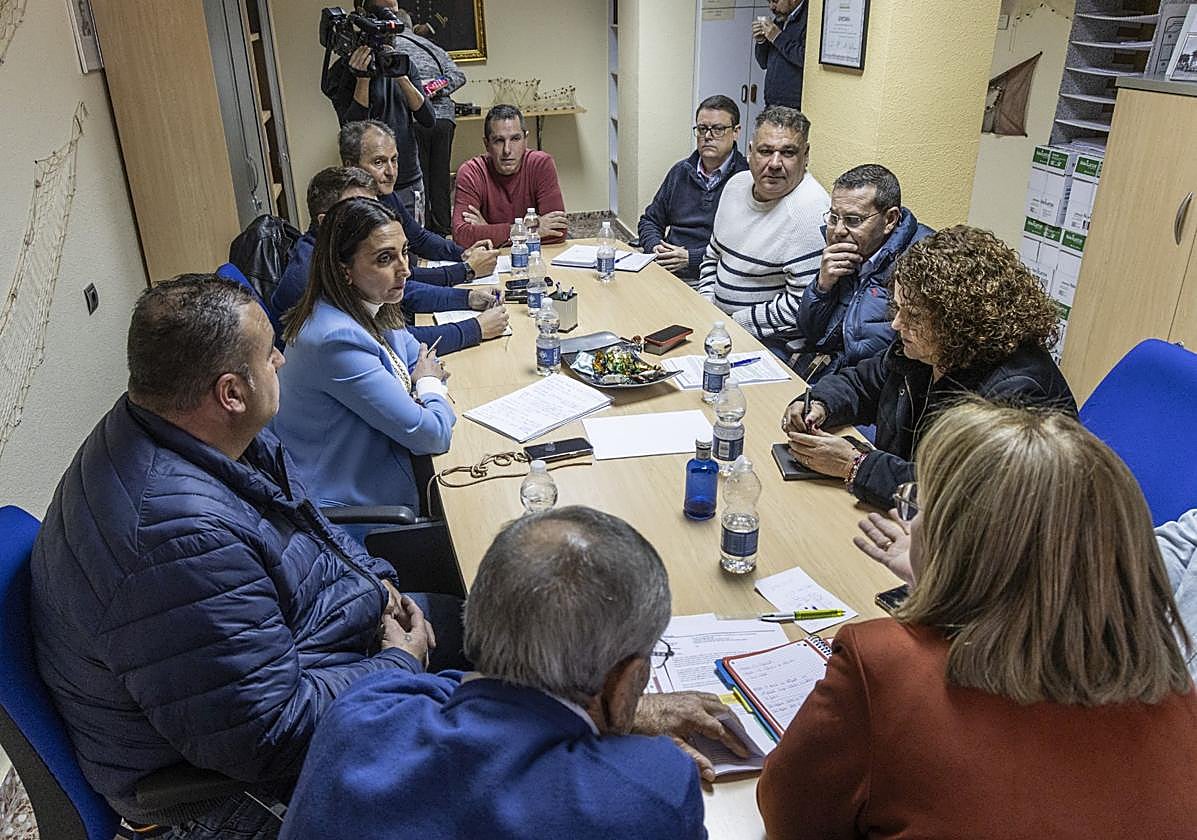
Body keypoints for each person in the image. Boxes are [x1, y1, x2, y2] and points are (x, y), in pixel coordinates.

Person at [29, 275, 445, 838]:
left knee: (488, 634)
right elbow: (271, 735)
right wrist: (397, 667)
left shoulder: (201, 430)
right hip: (229, 794)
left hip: (302, 658)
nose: (280, 359)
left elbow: (308, 522)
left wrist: (377, 583)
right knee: (494, 758)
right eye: (269, 352)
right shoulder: (174, 540)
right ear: (230, 392)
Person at [758, 400, 1197, 839]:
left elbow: (789, 818)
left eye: (920, 507)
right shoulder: (1180, 703)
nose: (912, 522)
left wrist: (939, 592)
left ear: (956, 539)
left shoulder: (882, 665)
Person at [281, 507, 747, 839]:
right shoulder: (649, 792)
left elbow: (441, 690)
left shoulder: (359, 713)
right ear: (624, 681)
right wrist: (620, 717)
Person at [783, 225, 1076, 509]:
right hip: (903, 515)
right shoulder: (926, 349)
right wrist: (819, 403)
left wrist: (856, 465)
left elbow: (963, 496)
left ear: (957, 321)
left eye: (913, 316)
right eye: (898, 309)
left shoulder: (1018, 392)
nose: (896, 324)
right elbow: (863, 383)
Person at [274, 197, 453, 512]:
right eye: (385, 258)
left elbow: (422, 358)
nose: (405, 269)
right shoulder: (335, 339)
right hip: (353, 511)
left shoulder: (372, 305)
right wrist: (427, 386)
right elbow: (433, 435)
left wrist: (424, 387)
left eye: (405, 252)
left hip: (392, 468)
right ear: (344, 270)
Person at [272, 166, 507, 354]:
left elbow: (408, 291)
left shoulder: (339, 254)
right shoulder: (310, 276)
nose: (372, 217)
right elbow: (385, 343)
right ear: (326, 222)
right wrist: (475, 329)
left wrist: (468, 297)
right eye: (357, 211)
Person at [697, 106, 829, 350]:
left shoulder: (811, 212)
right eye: (765, 151)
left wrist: (731, 326)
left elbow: (799, 307)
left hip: (769, 341)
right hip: (717, 324)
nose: (775, 163)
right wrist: (707, 307)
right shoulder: (735, 185)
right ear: (750, 152)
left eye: (788, 152)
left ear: (806, 155)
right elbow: (712, 256)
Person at [795, 164, 932, 381]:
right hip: (831, 373)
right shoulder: (847, 251)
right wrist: (822, 287)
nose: (838, 231)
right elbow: (810, 333)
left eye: (853, 220)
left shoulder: (922, 261)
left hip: (881, 382)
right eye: (834, 217)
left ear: (890, 220)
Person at [340, 120, 499, 285]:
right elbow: (401, 277)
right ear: (350, 166)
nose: (391, 172)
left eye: (394, 160)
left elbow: (419, 239)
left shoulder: (385, 195)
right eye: (378, 162)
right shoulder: (351, 213)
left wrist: (463, 254)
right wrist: (466, 270)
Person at [322, 0, 433, 213]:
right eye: (385, 12)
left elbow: (428, 119)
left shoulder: (403, 62)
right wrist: (362, 78)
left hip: (408, 177)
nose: (391, 20)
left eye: (394, 13)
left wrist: (400, 75)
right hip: (368, 186)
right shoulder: (343, 70)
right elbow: (352, 130)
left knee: (414, 234)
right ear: (363, 14)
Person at [637, 94, 749, 285]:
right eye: (702, 129)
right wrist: (655, 247)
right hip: (667, 268)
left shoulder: (747, 178)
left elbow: (746, 246)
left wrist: (692, 258)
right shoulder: (680, 171)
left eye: (718, 129)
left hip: (714, 277)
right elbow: (650, 221)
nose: (708, 136)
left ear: (736, 132)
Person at [387, 7, 466, 236]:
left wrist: (419, 93)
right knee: (440, 178)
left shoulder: (391, 47)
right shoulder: (433, 47)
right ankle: (444, 230)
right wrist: (433, 88)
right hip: (444, 121)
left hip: (414, 120)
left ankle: (424, 233)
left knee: (418, 179)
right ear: (411, 26)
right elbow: (458, 76)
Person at [451, 104, 569, 248]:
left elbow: (557, 232)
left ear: (525, 140)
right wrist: (529, 230)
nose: (507, 150)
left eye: (515, 139)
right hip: (490, 260)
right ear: (486, 144)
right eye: (499, 141)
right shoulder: (471, 172)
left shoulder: (541, 164)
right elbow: (461, 236)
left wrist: (487, 230)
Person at [752, 0, 807, 110]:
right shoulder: (780, 19)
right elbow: (763, 63)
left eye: (775, 1)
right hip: (771, 102)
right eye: (769, 2)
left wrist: (777, 37)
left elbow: (805, 60)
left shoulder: (810, 19)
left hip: (794, 106)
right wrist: (761, 41)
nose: (771, 7)